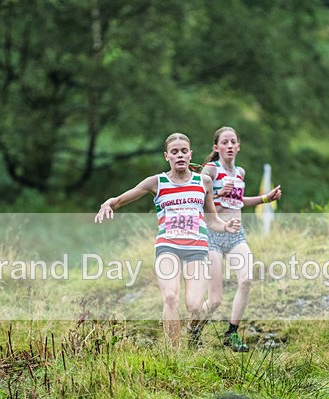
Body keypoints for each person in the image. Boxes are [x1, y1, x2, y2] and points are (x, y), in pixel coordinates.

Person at [95, 132, 241, 348]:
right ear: (167, 156)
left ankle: (193, 331)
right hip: (168, 248)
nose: (180, 155)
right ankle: (175, 354)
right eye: (175, 152)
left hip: (197, 250)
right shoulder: (157, 182)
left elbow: (213, 221)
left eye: (184, 151)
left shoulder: (204, 181)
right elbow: (119, 200)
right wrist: (107, 205)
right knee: (171, 298)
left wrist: (226, 226)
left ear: (190, 154)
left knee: (195, 307)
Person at [199, 126, 281, 352]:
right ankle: (194, 329)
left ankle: (231, 333)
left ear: (238, 146)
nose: (229, 146)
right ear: (216, 147)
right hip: (213, 235)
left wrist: (266, 198)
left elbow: (239, 201)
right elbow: (199, 203)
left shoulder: (240, 173)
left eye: (233, 142)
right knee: (215, 300)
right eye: (224, 142)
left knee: (246, 280)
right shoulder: (210, 171)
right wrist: (218, 194)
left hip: (236, 235)